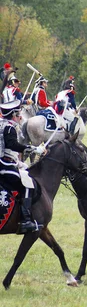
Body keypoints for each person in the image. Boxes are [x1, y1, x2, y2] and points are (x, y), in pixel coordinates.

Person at [0, 100, 45, 233]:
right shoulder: (9, 128)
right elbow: (13, 145)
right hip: (3, 165)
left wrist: (20, 163)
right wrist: (32, 148)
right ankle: (26, 221)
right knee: (27, 184)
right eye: (18, 114)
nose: (20, 117)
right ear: (14, 114)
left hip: (7, 161)